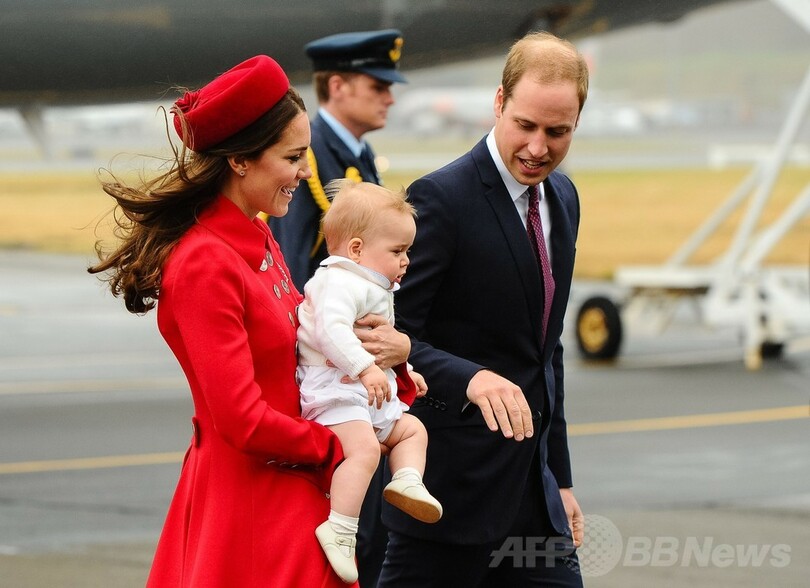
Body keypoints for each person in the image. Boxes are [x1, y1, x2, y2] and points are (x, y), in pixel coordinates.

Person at [87, 54, 409, 588]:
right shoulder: (204, 263)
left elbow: (297, 350)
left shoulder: (257, 236)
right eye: (293, 157)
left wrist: (386, 357)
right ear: (240, 161)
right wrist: (340, 448)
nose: (305, 172)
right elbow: (242, 419)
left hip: (296, 491)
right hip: (253, 509)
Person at [376, 31, 589, 587]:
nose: (538, 147)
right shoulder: (441, 198)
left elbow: (546, 351)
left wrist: (559, 479)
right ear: (498, 103)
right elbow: (388, 337)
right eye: (525, 125)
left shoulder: (563, 200)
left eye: (557, 132)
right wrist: (471, 379)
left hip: (533, 499)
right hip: (448, 497)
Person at [296, 179, 442, 584]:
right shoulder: (338, 282)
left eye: (407, 250)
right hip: (334, 390)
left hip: (361, 390)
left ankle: (407, 481)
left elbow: (376, 344)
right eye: (398, 251)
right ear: (357, 249)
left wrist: (402, 370)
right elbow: (331, 332)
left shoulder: (369, 283)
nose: (407, 260)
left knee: (412, 429)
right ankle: (340, 528)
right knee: (363, 452)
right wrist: (365, 368)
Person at [268, 29, 407, 291]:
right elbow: (289, 259)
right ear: (337, 86)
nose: (389, 99)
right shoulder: (308, 154)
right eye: (378, 87)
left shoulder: (361, 152)